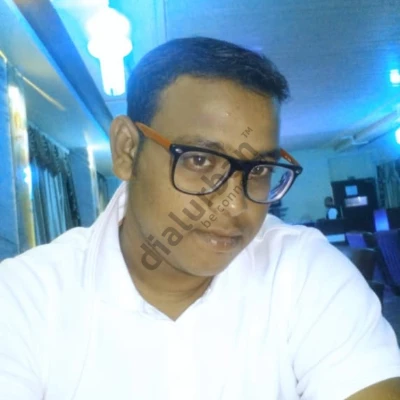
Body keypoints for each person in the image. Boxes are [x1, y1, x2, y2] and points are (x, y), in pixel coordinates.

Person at [0, 37, 399, 400]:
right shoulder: (25, 299)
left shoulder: (302, 270)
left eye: (259, 169)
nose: (236, 207)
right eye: (200, 160)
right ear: (126, 149)